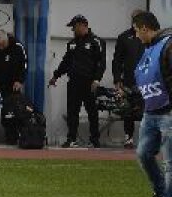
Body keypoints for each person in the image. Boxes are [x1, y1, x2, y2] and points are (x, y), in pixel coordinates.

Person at [130, 11, 172, 197]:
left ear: (145, 28)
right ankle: (162, 192)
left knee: (170, 161)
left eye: (137, 31)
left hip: (168, 113)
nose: (136, 35)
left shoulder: (168, 45)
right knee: (144, 155)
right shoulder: (150, 49)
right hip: (151, 112)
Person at [49, 14, 107, 148]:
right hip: (74, 82)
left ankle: (94, 140)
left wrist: (97, 80)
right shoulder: (72, 44)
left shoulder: (97, 41)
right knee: (72, 111)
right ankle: (71, 139)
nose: (72, 30)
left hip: (90, 83)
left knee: (92, 111)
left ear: (82, 25)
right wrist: (55, 76)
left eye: (74, 27)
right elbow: (66, 62)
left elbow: (101, 63)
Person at [113, 9, 146, 148]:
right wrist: (116, 79)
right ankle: (129, 137)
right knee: (128, 110)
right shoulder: (124, 37)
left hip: (146, 80)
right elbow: (117, 60)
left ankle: (147, 139)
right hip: (128, 80)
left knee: (147, 110)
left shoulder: (148, 36)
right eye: (134, 18)